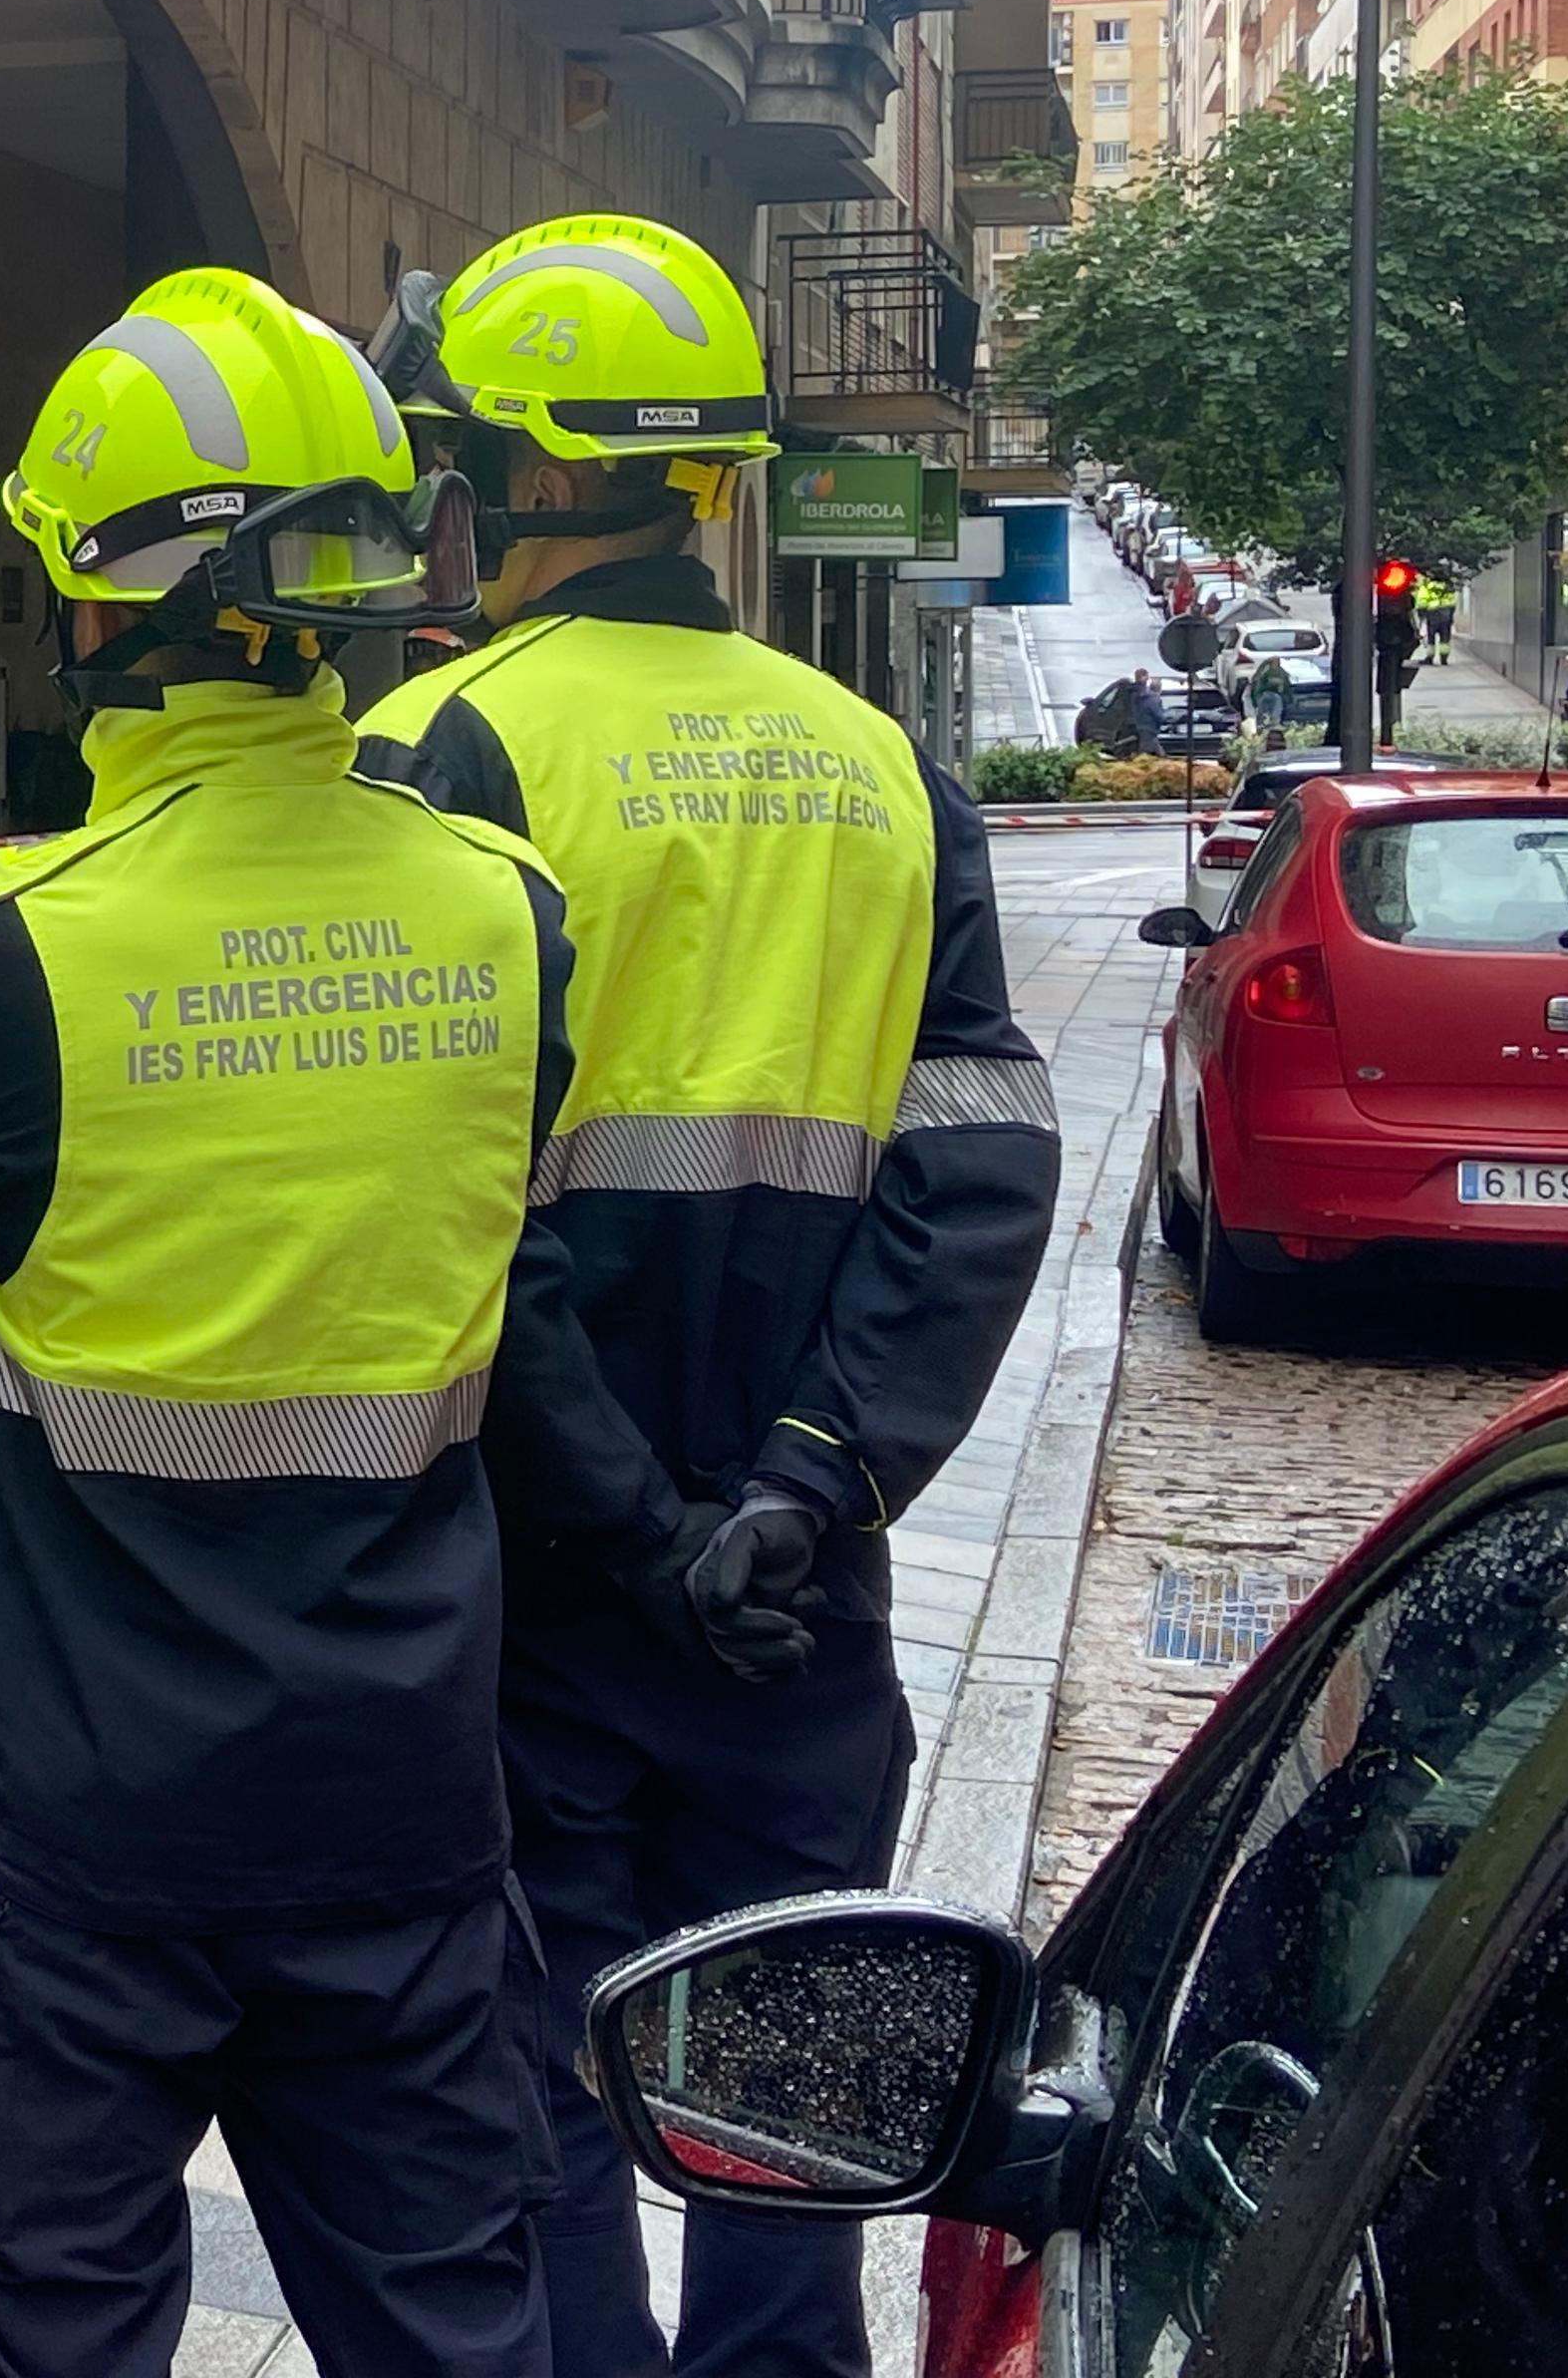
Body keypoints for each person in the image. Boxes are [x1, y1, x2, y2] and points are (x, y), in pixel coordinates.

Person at [0, 269, 694, 2378]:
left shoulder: (1, 944)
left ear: (98, 603)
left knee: (51, 2340)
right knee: (456, 2334)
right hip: (398, 1810)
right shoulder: (501, 910)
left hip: (75, 1844)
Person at [352, 214, 1061, 2378]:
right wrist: (809, 1486)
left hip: (535, 1581)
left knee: (541, 2075)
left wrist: (629, 1529)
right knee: (790, 2079)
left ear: (518, 476)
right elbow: (979, 1163)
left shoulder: (434, 751)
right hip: (795, 1586)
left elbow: (432, 1207)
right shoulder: (881, 764)